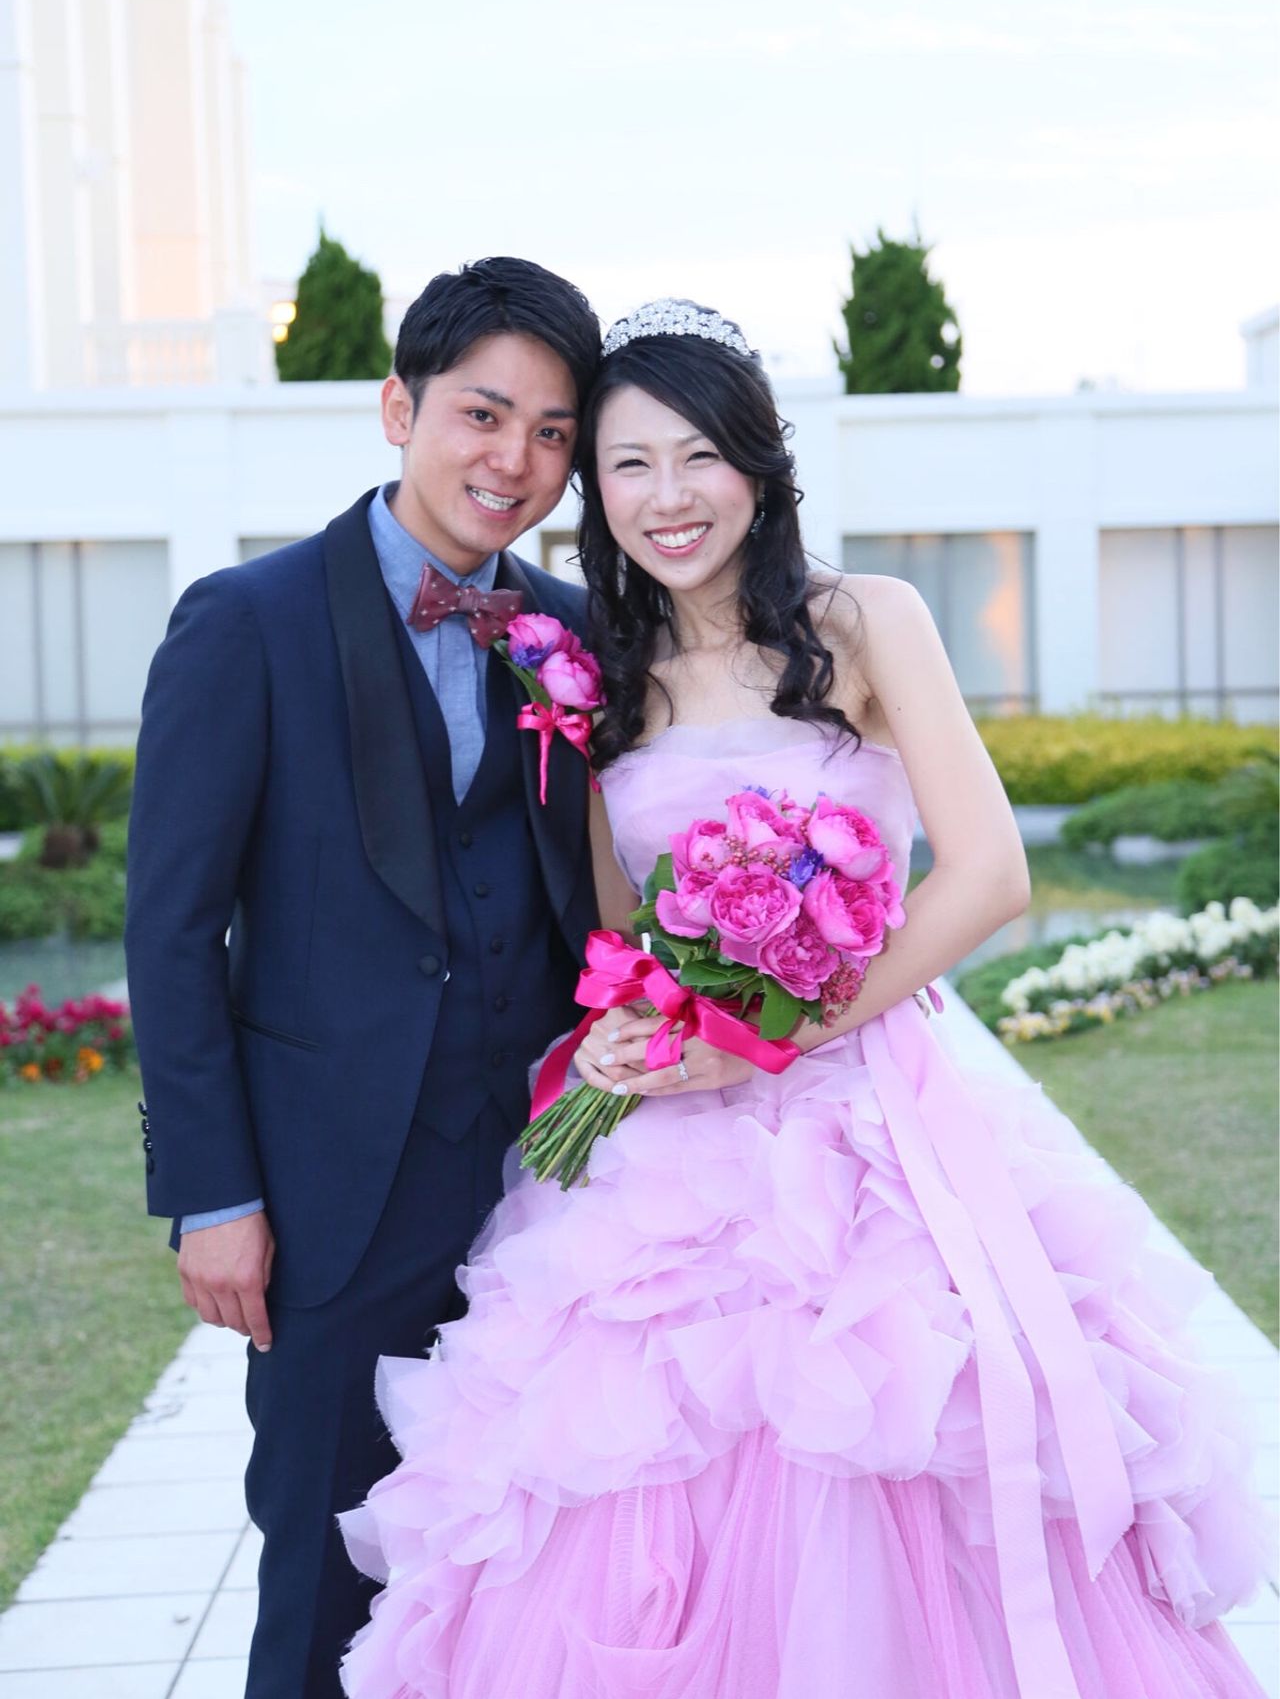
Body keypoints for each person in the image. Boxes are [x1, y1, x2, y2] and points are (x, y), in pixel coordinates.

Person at [336, 297, 1269, 1699]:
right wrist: (644, 1020)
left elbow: (990, 874)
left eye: (699, 456)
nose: (668, 497)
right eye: (630, 464)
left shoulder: (866, 622)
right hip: (671, 1153)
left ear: (760, 465)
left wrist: (772, 1036)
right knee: (639, 1467)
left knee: (889, 1434)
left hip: (869, 1118)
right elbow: (618, 930)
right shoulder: (600, 678)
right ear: (596, 491)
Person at [125, 257, 602, 1698]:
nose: (513, 462)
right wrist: (214, 1196)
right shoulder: (247, 622)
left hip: (544, 1197)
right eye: (482, 415)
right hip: (330, 1207)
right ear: (400, 408)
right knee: (326, 1588)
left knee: (521, 1582)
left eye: (552, 433)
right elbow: (171, 932)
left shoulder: (572, 631)